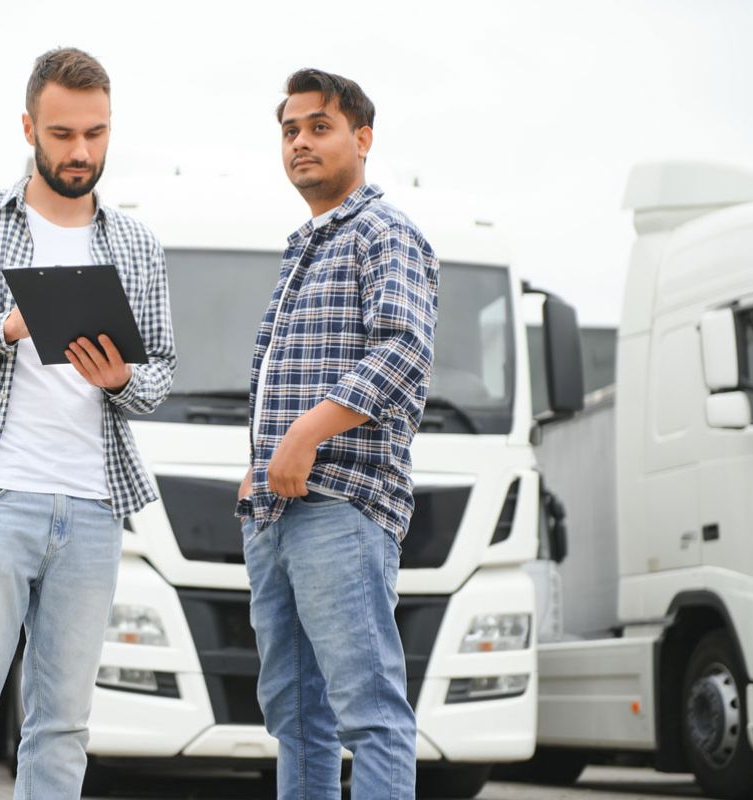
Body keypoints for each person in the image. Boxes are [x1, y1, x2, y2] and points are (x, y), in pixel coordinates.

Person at [0, 46, 176, 800]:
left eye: (95, 133)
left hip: (92, 511)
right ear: (29, 126)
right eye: (62, 134)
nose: (80, 151)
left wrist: (121, 379)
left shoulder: (138, 247)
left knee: (63, 724)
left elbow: (160, 377)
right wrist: (7, 328)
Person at [236, 68, 440, 799]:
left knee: (370, 713)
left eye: (318, 127)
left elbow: (404, 348)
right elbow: (278, 371)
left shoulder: (385, 233)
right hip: (276, 511)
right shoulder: (304, 246)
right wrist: (260, 461)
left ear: (363, 138)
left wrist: (302, 437)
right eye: (290, 130)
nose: (300, 142)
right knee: (295, 717)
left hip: (343, 508)